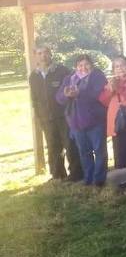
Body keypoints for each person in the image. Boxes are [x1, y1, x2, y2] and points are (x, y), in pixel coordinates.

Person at [28, 46, 82, 181]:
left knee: (70, 144)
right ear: (36, 56)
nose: (43, 56)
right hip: (46, 117)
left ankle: (76, 173)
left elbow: (73, 89)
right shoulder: (33, 76)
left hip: (64, 116)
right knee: (52, 146)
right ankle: (57, 174)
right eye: (39, 53)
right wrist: (39, 115)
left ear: (50, 54)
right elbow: (34, 98)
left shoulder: (62, 71)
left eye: (46, 52)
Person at [55, 54, 108, 186]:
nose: (83, 68)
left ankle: (99, 179)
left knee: (99, 151)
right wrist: (67, 95)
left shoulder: (98, 77)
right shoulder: (69, 79)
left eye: (86, 65)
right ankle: (89, 179)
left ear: (92, 65)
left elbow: (97, 94)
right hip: (76, 123)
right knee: (84, 152)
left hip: (95, 121)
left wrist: (80, 93)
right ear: (75, 67)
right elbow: (59, 98)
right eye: (80, 65)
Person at [98, 55, 126, 189]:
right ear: (113, 70)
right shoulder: (113, 81)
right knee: (124, 151)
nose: (120, 69)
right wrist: (110, 89)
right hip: (118, 122)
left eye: (123, 65)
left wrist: (117, 87)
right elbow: (103, 100)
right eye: (117, 66)